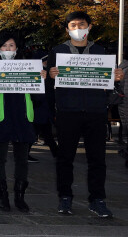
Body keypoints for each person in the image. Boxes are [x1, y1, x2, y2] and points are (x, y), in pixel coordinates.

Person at [48, 11, 124, 218]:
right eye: (73, 25)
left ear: (89, 27)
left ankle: (97, 199)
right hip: (67, 112)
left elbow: (109, 84)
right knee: (65, 158)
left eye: (81, 24)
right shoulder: (57, 51)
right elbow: (48, 83)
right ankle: (65, 197)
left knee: (97, 159)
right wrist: (50, 76)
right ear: (67, 29)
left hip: (96, 112)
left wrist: (117, 77)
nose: (78, 28)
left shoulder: (102, 51)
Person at [0, 34, 47, 212]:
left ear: (17, 50)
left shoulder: (30, 70)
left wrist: (40, 81)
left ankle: (19, 196)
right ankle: (3, 197)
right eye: (4, 46)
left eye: (11, 45)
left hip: (23, 120)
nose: (8, 49)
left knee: (22, 160)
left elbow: (38, 99)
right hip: (0, 120)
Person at [30, 49, 59, 159]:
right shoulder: (41, 73)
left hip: (42, 109)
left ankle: (57, 154)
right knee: (40, 134)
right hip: (41, 109)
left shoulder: (46, 72)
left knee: (45, 134)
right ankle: (57, 154)